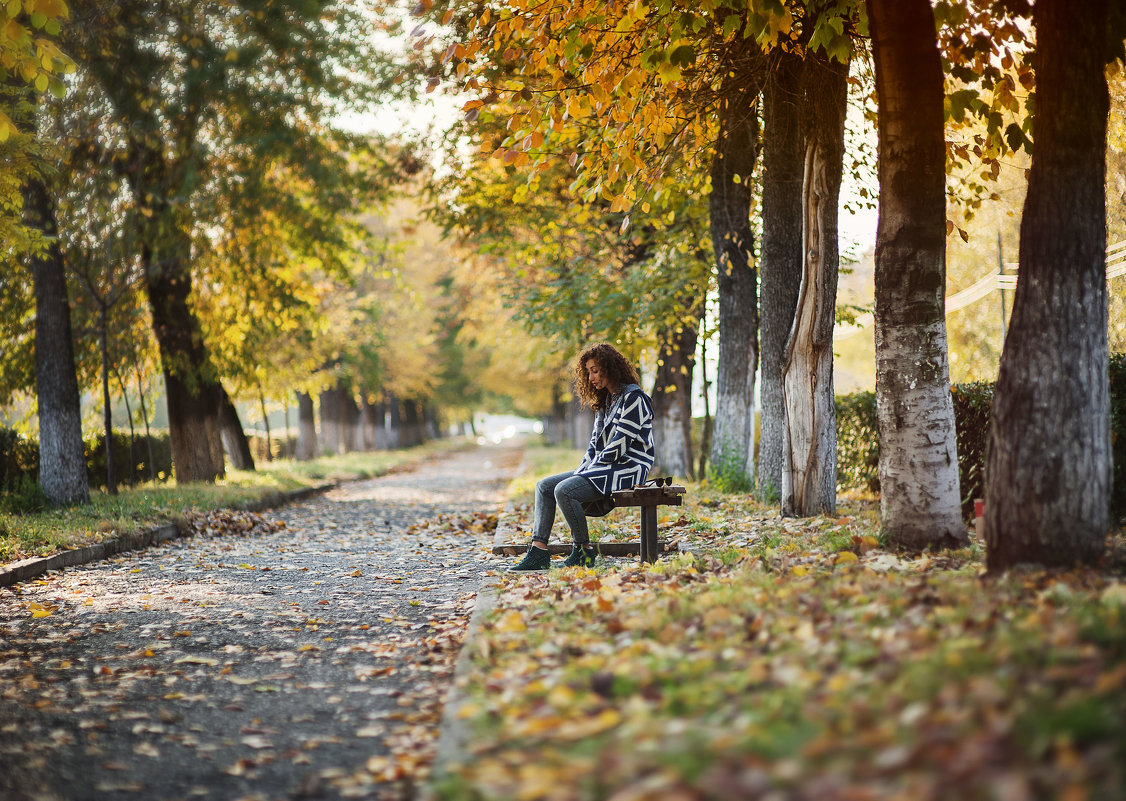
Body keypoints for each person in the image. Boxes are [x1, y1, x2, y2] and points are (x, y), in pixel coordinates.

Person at [510, 343, 655, 571]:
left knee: (564, 489)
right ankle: (538, 551)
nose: (591, 377)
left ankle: (583, 551)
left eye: (595, 370)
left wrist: (585, 474)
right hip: (606, 466)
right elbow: (593, 447)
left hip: (629, 467)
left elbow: (619, 446)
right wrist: (581, 470)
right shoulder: (605, 402)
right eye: (588, 372)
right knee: (544, 486)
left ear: (611, 368)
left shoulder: (634, 398)